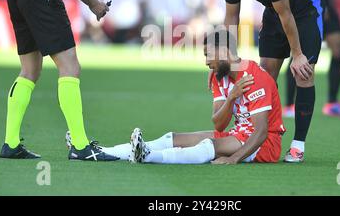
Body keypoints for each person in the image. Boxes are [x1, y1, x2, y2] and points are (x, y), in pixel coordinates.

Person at [0, 0, 117, 161]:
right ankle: (80, 146)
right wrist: (95, 5)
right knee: (70, 66)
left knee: (29, 70)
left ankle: (10, 143)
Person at [67, 29, 286, 164]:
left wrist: (233, 159)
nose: (206, 62)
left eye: (209, 55)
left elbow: (261, 132)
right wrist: (231, 98)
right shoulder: (220, 76)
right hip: (239, 134)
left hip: (265, 145)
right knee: (172, 138)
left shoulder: (256, 78)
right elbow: (219, 125)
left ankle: (148, 156)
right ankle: (98, 153)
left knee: (207, 146)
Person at [218, 0, 323, 163]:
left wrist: (297, 54)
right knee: (265, 76)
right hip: (275, 12)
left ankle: (297, 146)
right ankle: (261, 136)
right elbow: (231, 16)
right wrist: (229, 54)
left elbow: (288, 14)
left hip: (305, 12)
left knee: (303, 74)